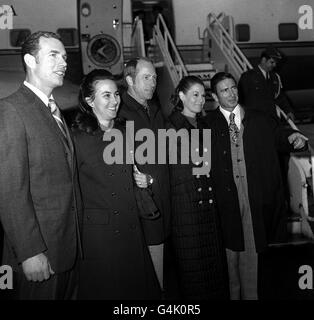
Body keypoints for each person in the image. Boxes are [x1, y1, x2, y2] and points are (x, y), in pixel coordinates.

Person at [201, 72, 307, 300]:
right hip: (224, 201)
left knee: (253, 254)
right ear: (214, 96)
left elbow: (280, 135)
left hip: (254, 198)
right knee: (228, 257)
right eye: (224, 90)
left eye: (233, 88)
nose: (231, 94)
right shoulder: (206, 125)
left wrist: (292, 137)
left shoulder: (260, 118)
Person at [0, 31, 82, 300]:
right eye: (53, 55)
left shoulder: (53, 109)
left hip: (67, 250)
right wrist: (29, 252)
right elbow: (11, 190)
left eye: (65, 57)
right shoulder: (12, 110)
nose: (64, 63)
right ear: (30, 60)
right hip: (39, 256)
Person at [72, 69, 161, 300]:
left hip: (131, 230)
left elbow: (131, 175)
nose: (115, 101)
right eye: (106, 96)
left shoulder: (123, 133)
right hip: (100, 240)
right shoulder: (76, 139)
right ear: (89, 101)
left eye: (116, 94)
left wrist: (143, 181)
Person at [167, 76, 229, 299]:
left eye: (203, 95)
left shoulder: (205, 124)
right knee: (193, 278)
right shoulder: (170, 127)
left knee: (215, 274)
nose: (201, 100)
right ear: (181, 96)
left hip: (209, 210)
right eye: (195, 94)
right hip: (186, 210)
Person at [117, 57, 173, 295]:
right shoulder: (121, 113)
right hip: (142, 207)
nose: (153, 83)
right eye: (146, 78)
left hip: (162, 202)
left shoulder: (154, 110)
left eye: (154, 78)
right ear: (129, 80)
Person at [238, 45, 295, 121]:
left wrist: (288, 111)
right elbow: (240, 99)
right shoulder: (248, 77)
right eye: (272, 62)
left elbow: (280, 97)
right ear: (264, 60)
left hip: (271, 120)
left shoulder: (275, 77)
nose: (274, 65)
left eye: (275, 63)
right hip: (255, 120)